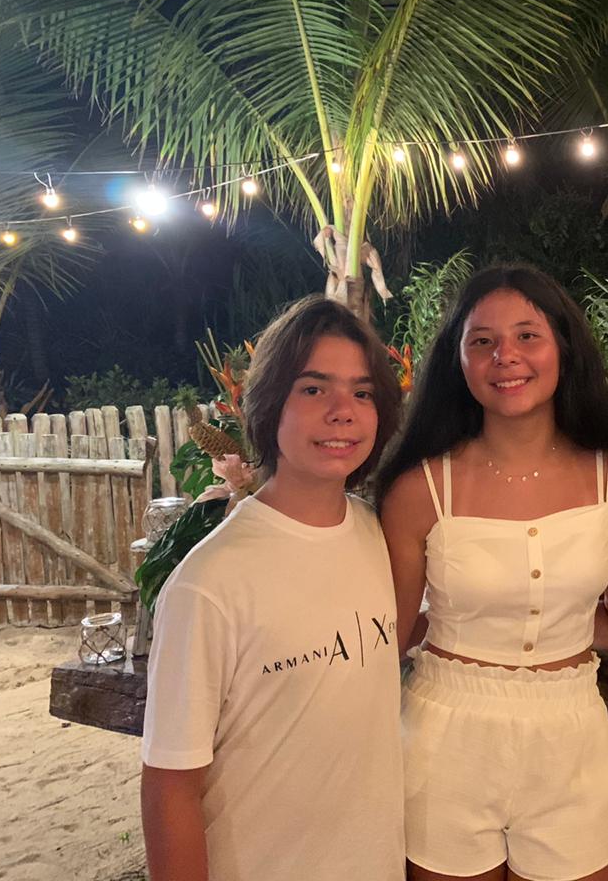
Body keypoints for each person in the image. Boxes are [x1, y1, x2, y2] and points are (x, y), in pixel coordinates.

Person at [376, 265, 608, 881]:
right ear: (458, 360)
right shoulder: (419, 487)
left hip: (571, 733)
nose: (505, 356)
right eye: (482, 340)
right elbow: (390, 637)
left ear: (563, 346)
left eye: (527, 335)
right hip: (446, 739)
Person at [140, 295, 405, 881]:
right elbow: (170, 784)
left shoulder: (376, 533)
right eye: (313, 389)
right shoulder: (209, 582)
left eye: (362, 393)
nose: (343, 412)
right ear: (267, 403)